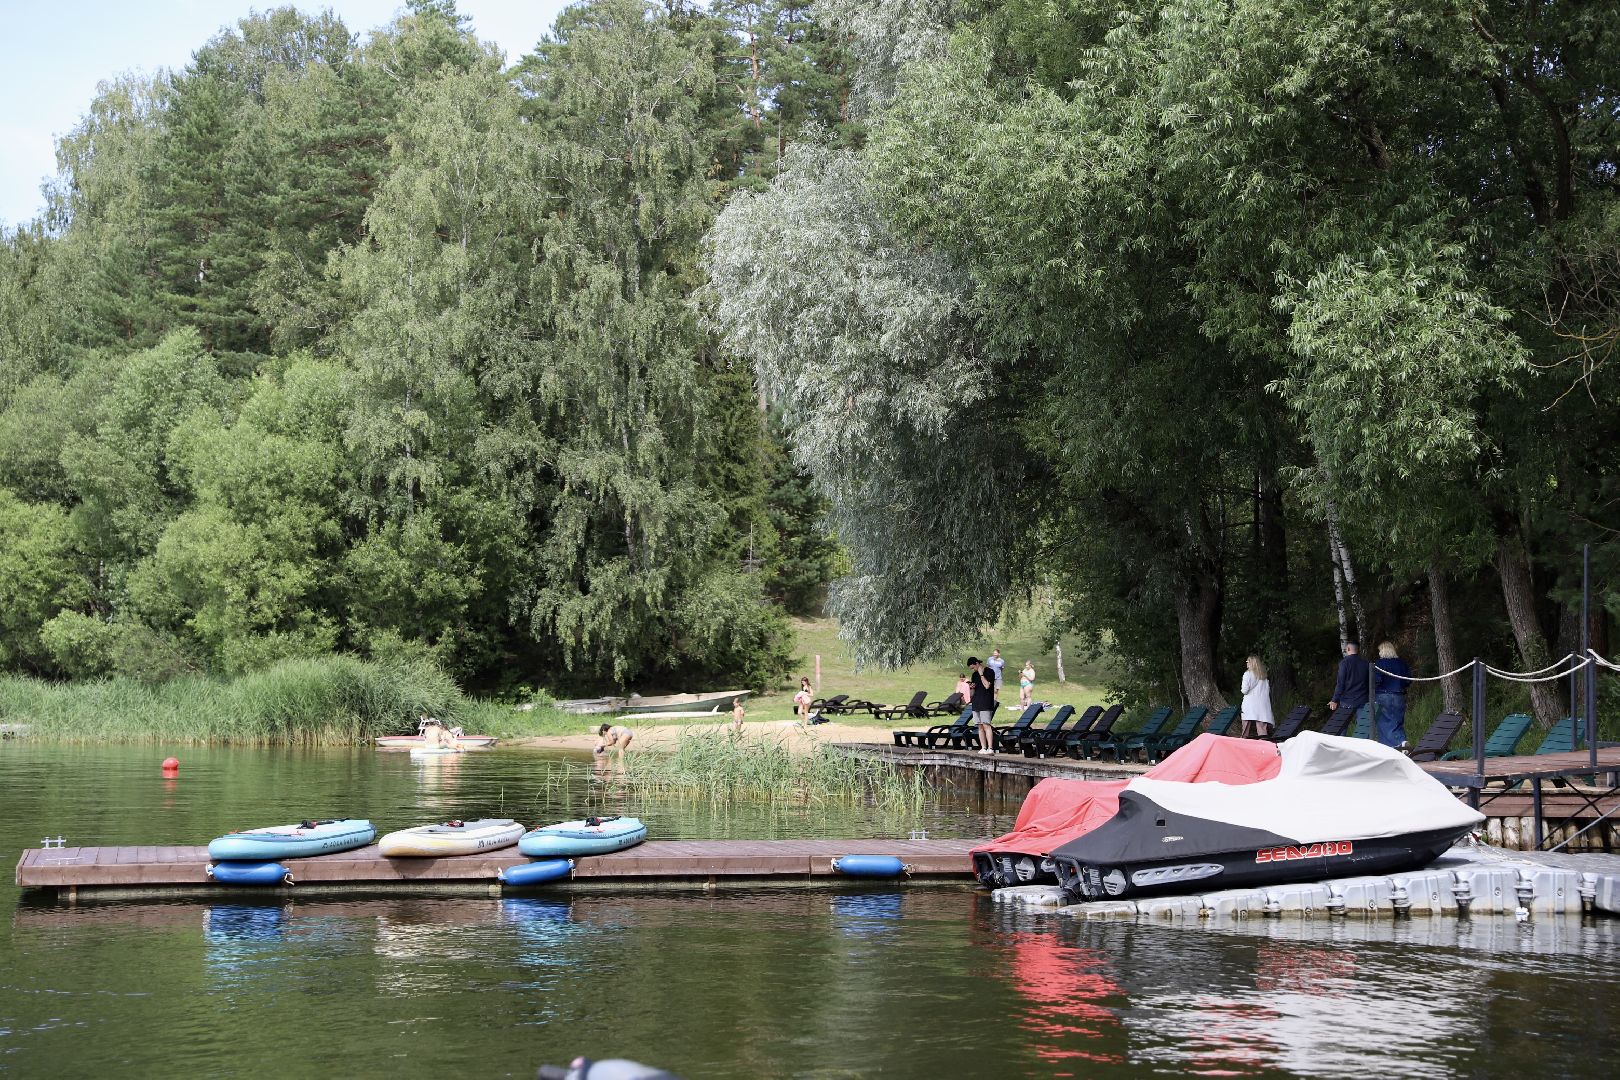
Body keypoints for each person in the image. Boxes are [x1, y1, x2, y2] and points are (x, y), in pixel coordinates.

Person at [1373, 641, 1411, 749]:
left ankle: (1399, 745)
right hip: (1399, 696)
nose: (1379, 653)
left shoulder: (1380, 664)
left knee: (1385, 723)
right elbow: (1408, 680)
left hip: (1384, 695)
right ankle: (1400, 744)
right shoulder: (1402, 663)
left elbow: (1377, 680)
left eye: (1380, 650)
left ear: (1383, 650)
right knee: (1398, 722)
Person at [1327, 640, 1370, 727]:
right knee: (1363, 728)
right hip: (1363, 699)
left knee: (1341, 727)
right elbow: (1369, 682)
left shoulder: (1344, 663)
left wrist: (1334, 700)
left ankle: (1342, 741)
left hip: (1347, 700)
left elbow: (1340, 683)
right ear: (1358, 650)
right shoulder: (1366, 663)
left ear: (1348, 649)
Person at [967, 656, 998, 754]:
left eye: (973, 667)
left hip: (986, 701)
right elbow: (973, 692)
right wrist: (971, 687)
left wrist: (981, 674)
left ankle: (990, 748)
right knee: (979, 726)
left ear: (977, 663)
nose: (973, 669)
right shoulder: (974, 675)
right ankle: (983, 748)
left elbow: (987, 685)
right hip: (976, 702)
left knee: (986, 725)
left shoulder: (989, 672)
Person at [1239, 655, 1273, 739]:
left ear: (1252, 663)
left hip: (1249, 705)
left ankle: (1242, 748)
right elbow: (1267, 691)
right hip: (1262, 706)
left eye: (1248, 662)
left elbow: (1244, 690)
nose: (1246, 663)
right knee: (1262, 731)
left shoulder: (1247, 674)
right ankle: (1263, 748)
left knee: (1245, 731)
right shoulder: (1264, 676)